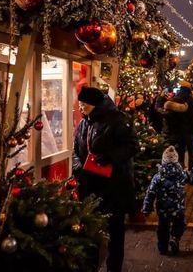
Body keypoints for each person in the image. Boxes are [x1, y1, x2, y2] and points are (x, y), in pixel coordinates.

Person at [72, 86, 138, 272]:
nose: (80, 108)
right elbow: (75, 149)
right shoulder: (85, 123)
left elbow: (132, 146)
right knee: (90, 228)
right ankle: (92, 265)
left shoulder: (117, 120)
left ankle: (113, 267)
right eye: (80, 104)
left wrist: (110, 157)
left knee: (115, 231)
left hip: (113, 186)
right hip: (90, 185)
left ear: (93, 104)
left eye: (83, 104)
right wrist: (78, 167)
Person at [142, 146, 193, 255]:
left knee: (163, 228)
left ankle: (163, 248)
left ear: (163, 161)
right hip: (177, 208)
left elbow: (150, 193)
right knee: (179, 224)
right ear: (176, 161)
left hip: (163, 209)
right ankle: (175, 238)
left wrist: (147, 208)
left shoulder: (158, 177)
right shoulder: (181, 175)